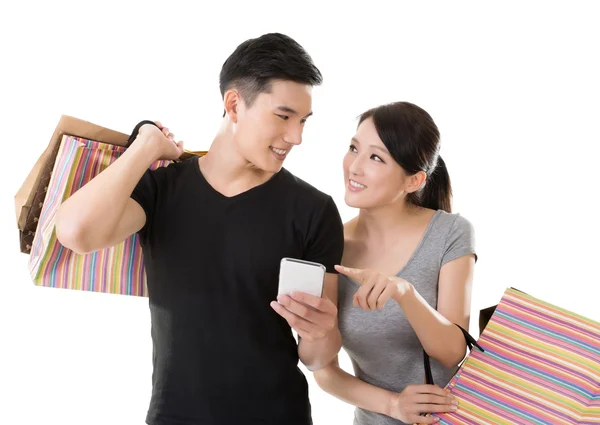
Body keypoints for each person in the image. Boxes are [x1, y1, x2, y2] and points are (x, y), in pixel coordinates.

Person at [55, 33, 344, 425]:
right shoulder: (162, 190)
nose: (296, 137)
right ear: (234, 105)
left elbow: (315, 357)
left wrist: (320, 330)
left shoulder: (314, 210)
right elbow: (75, 233)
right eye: (283, 116)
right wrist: (146, 147)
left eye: (303, 122)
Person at [313, 101, 477, 425]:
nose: (354, 167)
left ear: (414, 181)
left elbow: (453, 352)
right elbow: (324, 370)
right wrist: (394, 404)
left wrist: (406, 294)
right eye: (353, 148)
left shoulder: (450, 233)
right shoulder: (328, 246)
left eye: (376, 157)